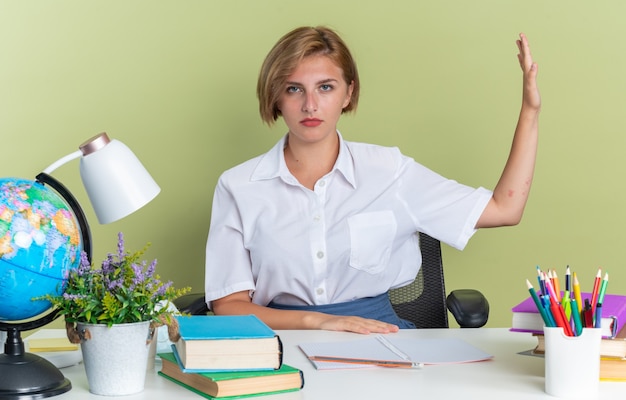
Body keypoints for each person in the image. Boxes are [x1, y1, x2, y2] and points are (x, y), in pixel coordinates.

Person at [204, 26, 540, 334]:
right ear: (276, 96)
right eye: (294, 89)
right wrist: (318, 322)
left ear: (348, 94)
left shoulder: (388, 170)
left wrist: (530, 111)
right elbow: (229, 306)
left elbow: (504, 209)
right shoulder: (239, 186)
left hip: (380, 340)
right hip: (282, 340)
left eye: (325, 87)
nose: (310, 105)